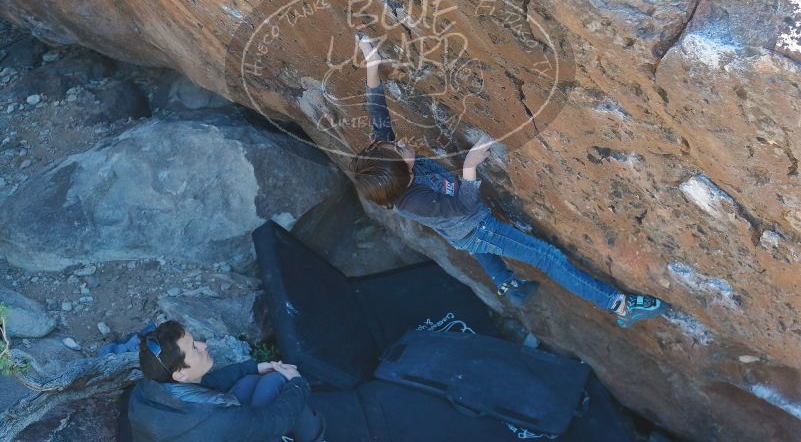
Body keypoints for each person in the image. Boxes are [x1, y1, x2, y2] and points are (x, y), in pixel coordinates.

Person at [350, 32, 667, 327]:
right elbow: (463, 204)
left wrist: (371, 62)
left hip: (459, 230)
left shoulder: (389, 163)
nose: (401, 142)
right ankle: (620, 306)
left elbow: (377, 111)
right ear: (401, 175)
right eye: (398, 149)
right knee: (547, 257)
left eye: (392, 143)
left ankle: (506, 283)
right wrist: (471, 166)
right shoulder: (413, 201)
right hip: (477, 227)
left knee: (469, 243)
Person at [128, 320, 325, 441]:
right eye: (194, 349)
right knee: (278, 386)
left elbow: (204, 383)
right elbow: (275, 421)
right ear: (180, 375)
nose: (203, 345)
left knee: (250, 381)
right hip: (215, 429)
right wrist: (298, 383)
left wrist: (253, 367)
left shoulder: (148, 388)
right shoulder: (218, 419)